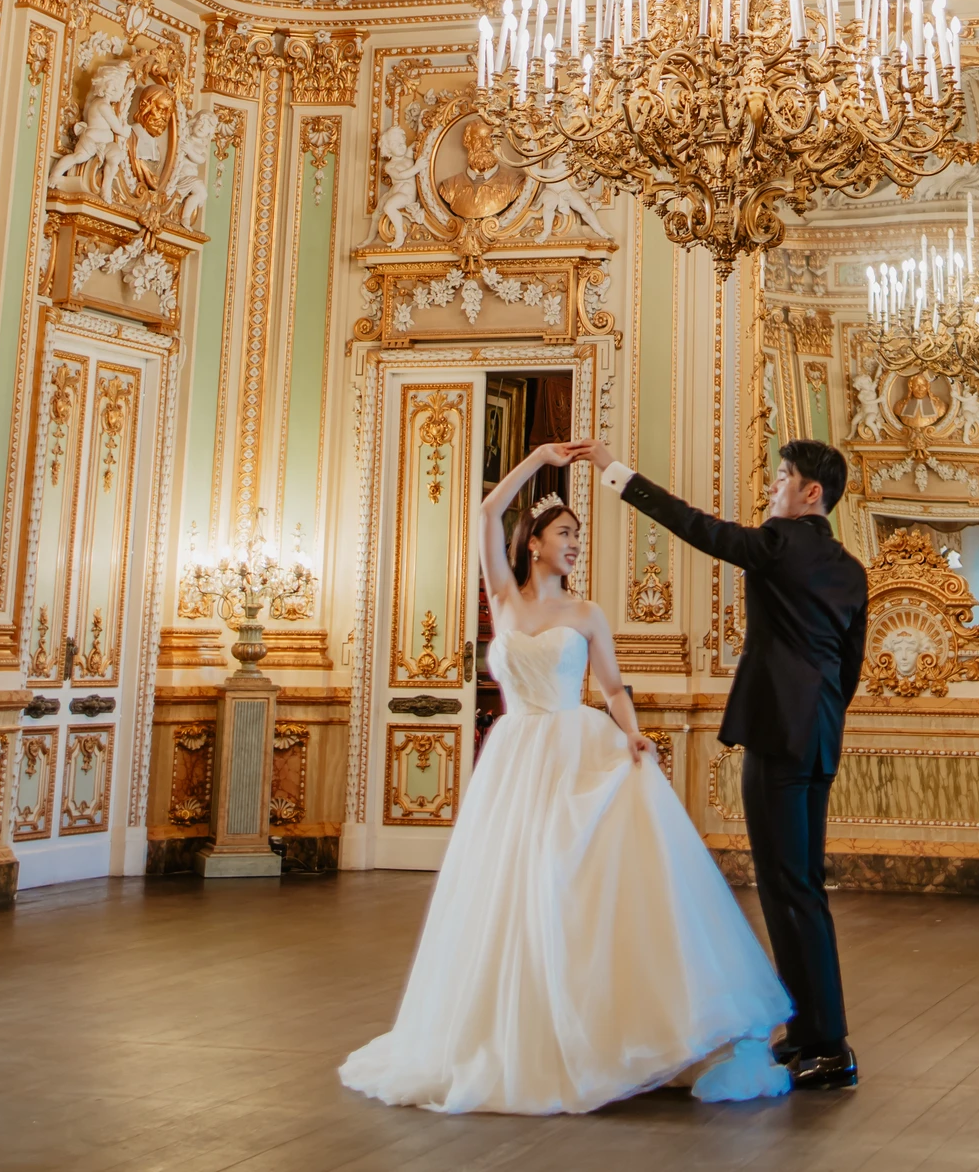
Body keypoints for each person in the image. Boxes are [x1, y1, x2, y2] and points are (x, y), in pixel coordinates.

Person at [339, 439, 789, 1117]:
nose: (575, 546)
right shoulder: (505, 598)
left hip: (575, 747)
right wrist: (543, 461)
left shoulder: (587, 615)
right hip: (517, 757)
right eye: (564, 534)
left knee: (568, 883)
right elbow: (487, 512)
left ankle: (601, 1024)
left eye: (577, 536)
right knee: (510, 889)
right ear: (534, 544)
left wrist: (632, 728)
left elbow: (610, 686)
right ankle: (514, 1029)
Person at [587, 433, 867, 1093]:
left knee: (785, 888)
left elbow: (697, 528)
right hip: (819, 737)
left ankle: (828, 1045)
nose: (771, 490)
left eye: (780, 480)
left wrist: (617, 473)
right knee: (800, 888)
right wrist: (816, 715)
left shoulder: (777, 544)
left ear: (810, 493)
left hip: (777, 736)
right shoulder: (852, 569)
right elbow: (848, 670)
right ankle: (809, 1034)